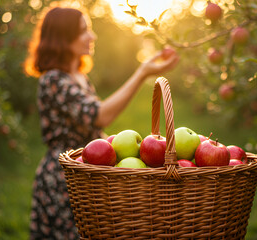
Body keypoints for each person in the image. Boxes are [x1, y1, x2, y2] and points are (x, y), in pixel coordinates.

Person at [23, 6, 179, 240]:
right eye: (83, 31)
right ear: (64, 38)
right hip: (66, 175)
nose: (92, 36)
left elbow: (93, 128)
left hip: (88, 167)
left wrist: (135, 151)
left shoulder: (79, 78)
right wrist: (142, 72)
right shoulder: (53, 80)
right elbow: (99, 115)